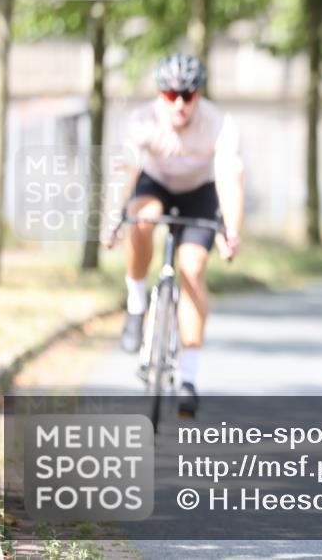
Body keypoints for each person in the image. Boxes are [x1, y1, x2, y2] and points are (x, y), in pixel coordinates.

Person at [103, 53, 245, 417]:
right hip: (156, 184)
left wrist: (231, 229)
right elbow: (125, 172)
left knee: (193, 268)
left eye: (189, 95)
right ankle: (136, 302)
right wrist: (111, 220)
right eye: (171, 95)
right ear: (159, 93)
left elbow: (230, 178)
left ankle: (189, 378)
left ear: (199, 94)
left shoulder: (219, 123)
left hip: (200, 192)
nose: (180, 104)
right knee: (144, 219)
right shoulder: (142, 121)